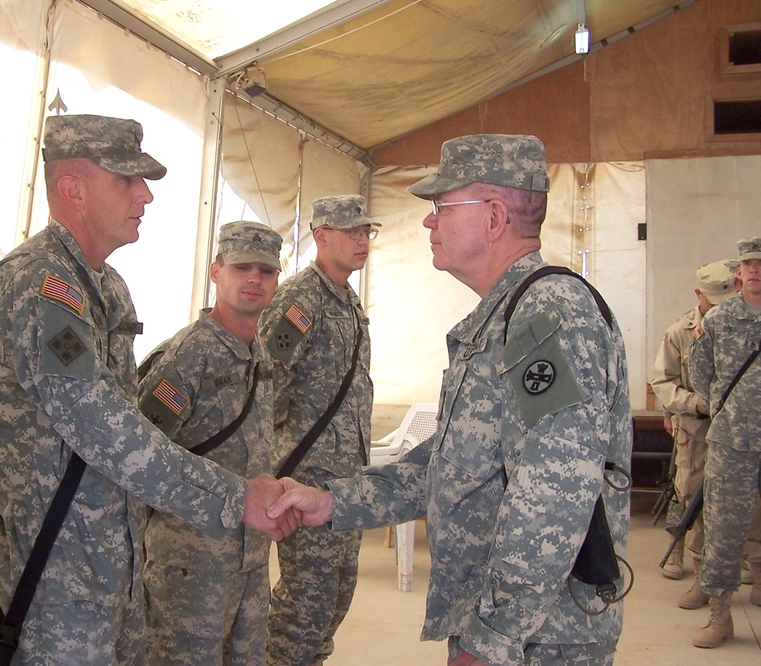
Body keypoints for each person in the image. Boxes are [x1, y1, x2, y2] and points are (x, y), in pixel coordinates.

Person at [269, 134, 632, 665]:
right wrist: (333, 501)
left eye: (440, 208)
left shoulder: (546, 315)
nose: (427, 222)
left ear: (492, 218)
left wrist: (493, 638)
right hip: (506, 632)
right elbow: (456, 462)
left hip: (537, 641)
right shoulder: (507, 316)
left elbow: (554, 495)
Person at [0, 114, 295, 665]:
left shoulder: (105, 286)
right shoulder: (40, 284)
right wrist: (236, 496)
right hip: (57, 577)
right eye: (126, 180)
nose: (145, 195)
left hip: (113, 566)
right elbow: (103, 427)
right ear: (73, 189)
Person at [137, 221, 282, 665]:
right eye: (242, 268)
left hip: (250, 559)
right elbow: (141, 454)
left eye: (266, 270)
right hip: (190, 565)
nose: (254, 279)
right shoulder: (186, 356)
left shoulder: (262, 356)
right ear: (216, 272)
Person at [258, 194, 377, 665]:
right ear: (321, 235)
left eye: (367, 231)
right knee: (303, 609)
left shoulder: (347, 299)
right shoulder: (300, 299)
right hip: (307, 479)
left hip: (346, 483)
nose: (362, 240)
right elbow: (267, 384)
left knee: (333, 601)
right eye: (352, 231)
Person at [688, 236, 761, 648]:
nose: (754, 270)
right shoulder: (719, 319)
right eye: (748, 264)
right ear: (738, 272)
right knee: (723, 528)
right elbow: (700, 372)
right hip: (733, 440)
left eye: (760, 264)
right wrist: (726, 408)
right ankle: (720, 616)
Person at [650, 261, 736, 589]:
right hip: (695, 428)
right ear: (698, 294)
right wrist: (691, 404)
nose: (718, 309)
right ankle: (682, 553)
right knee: (687, 493)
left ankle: (740, 560)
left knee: (737, 499)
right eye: (712, 301)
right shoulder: (679, 332)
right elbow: (663, 382)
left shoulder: (740, 326)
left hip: (735, 429)